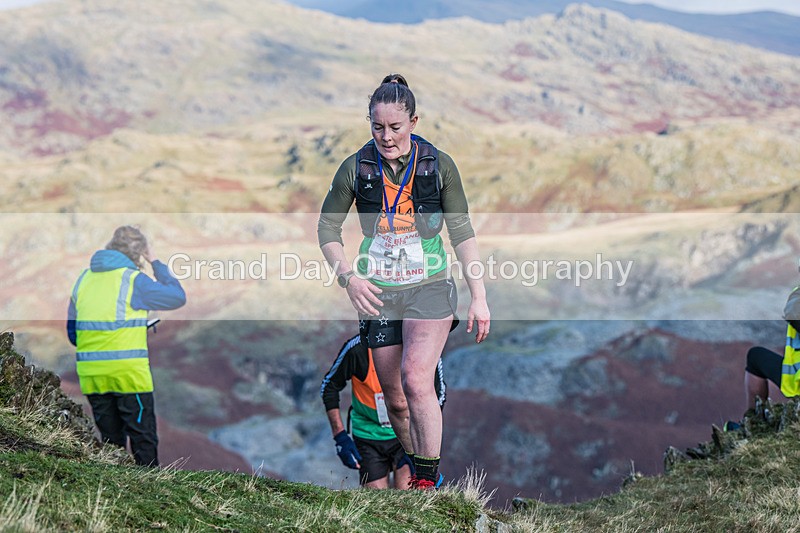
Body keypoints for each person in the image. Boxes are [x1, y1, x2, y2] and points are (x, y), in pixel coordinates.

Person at [318, 73, 490, 489]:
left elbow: (462, 233)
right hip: (379, 293)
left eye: (395, 127)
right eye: (377, 127)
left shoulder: (438, 164)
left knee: (416, 379)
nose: (386, 136)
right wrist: (349, 279)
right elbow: (327, 229)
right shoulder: (356, 167)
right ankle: (422, 467)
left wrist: (479, 297)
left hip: (430, 285)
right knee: (394, 399)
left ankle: (426, 484)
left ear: (414, 121)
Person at [67, 226, 186, 466]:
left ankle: (112, 499)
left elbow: (73, 334)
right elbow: (177, 296)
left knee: (111, 445)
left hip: (93, 376)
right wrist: (155, 263)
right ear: (139, 253)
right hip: (129, 375)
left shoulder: (83, 280)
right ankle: (151, 498)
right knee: (143, 440)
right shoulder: (134, 280)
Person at [320, 334, 446, 489]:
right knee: (375, 502)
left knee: (409, 497)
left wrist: (422, 438)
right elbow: (329, 386)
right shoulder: (357, 349)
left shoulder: (421, 348)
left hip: (407, 436)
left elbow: (440, 395)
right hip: (368, 435)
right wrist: (340, 437)